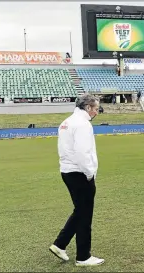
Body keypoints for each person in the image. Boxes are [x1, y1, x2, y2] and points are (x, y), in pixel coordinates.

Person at [49, 94, 104, 266]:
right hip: (79, 173)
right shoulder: (82, 124)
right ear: (88, 107)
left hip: (67, 171)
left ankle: (60, 244)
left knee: (80, 211)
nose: (96, 112)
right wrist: (89, 173)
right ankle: (83, 256)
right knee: (85, 215)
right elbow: (82, 152)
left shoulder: (67, 122)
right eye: (95, 109)